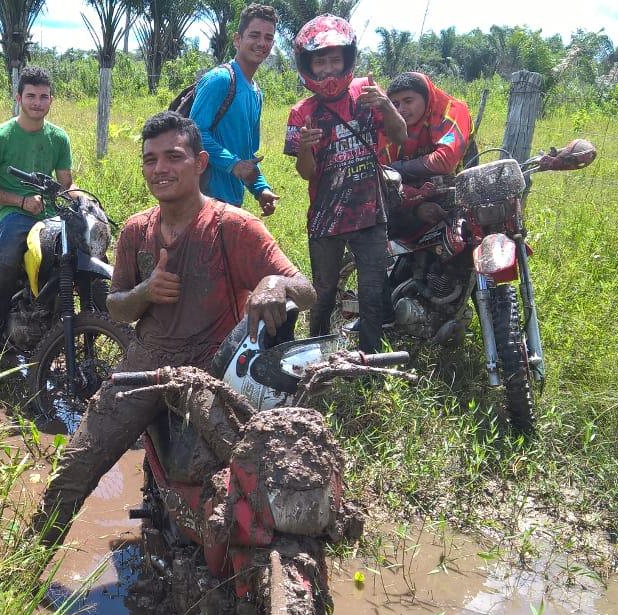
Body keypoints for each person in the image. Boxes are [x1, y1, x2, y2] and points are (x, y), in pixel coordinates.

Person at [30, 111, 316, 548]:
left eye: (173, 156)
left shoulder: (235, 226)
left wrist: (273, 283)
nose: (160, 168)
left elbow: (306, 289)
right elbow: (117, 308)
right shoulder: (135, 231)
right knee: (77, 464)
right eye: (150, 160)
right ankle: (29, 562)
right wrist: (145, 291)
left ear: (200, 163)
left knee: (257, 468)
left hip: (213, 375)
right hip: (145, 368)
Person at [283, 14, 407, 354]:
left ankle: (369, 361)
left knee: (372, 291)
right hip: (326, 220)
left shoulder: (366, 96)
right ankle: (316, 356)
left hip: (370, 215)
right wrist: (306, 147)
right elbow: (306, 173)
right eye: (319, 61)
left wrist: (386, 105)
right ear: (307, 64)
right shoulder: (301, 113)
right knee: (323, 293)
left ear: (347, 59)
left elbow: (400, 136)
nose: (327, 70)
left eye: (334, 60)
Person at [0, 66, 74, 362]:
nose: (37, 103)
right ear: (19, 98)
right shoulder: (0, 136)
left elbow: (66, 183)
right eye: (31, 96)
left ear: (51, 100)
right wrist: (20, 200)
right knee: (8, 262)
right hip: (14, 213)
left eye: (43, 97)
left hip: (50, 214)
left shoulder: (58, 137)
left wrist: (83, 200)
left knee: (79, 254)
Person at [190, 3, 281, 216]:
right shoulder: (220, 80)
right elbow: (194, 134)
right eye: (254, 35)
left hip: (231, 204)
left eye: (268, 38)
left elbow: (246, 153)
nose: (261, 43)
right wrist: (233, 164)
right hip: (202, 200)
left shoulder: (256, 93)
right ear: (237, 39)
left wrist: (261, 189)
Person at [379, 71, 473, 236]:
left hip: (461, 193)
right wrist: (417, 208)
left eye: (408, 101)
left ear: (426, 96)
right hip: (412, 199)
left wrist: (398, 167)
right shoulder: (391, 123)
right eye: (395, 104)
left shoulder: (452, 110)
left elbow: (445, 161)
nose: (401, 110)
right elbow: (383, 177)